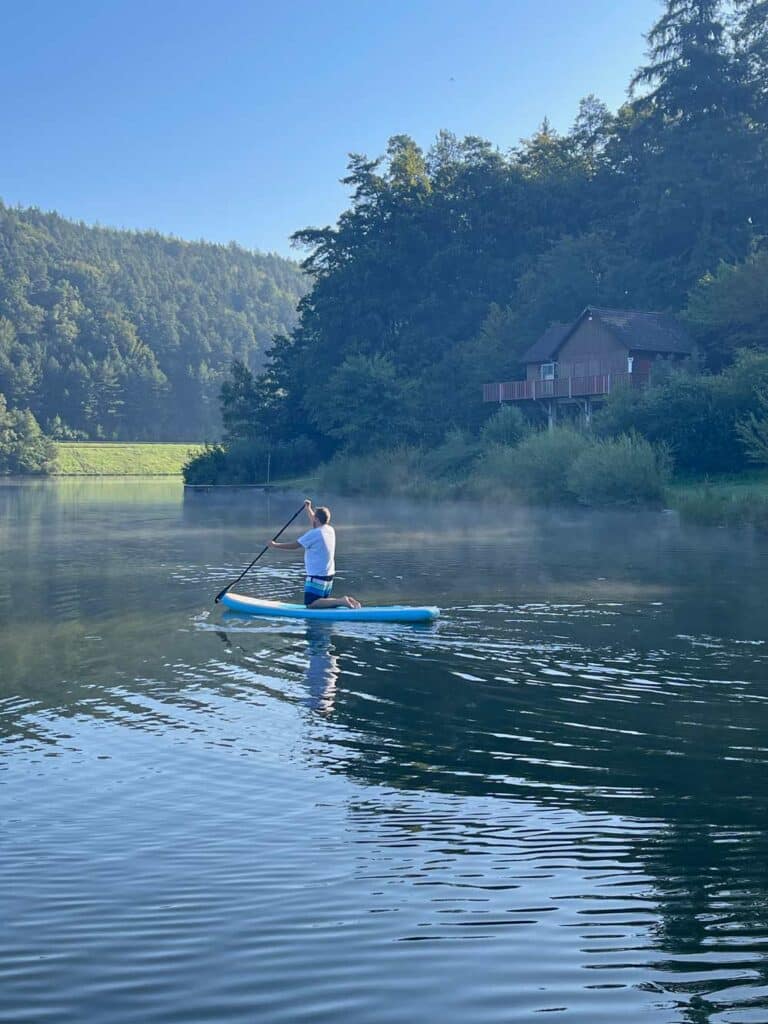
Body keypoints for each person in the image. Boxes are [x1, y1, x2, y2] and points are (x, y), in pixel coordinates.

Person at [269, 499, 362, 609]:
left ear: (317, 519)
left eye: (314, 518)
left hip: (317, 576)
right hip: (329, 573)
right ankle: (345, 601)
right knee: (321, 603)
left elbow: (295, 545)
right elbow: (315, 521)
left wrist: (275, 545)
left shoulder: (314, 534)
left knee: (311, 604)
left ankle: (342, 601)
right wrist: (308, 508)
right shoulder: (329, 529)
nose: (312, 519)